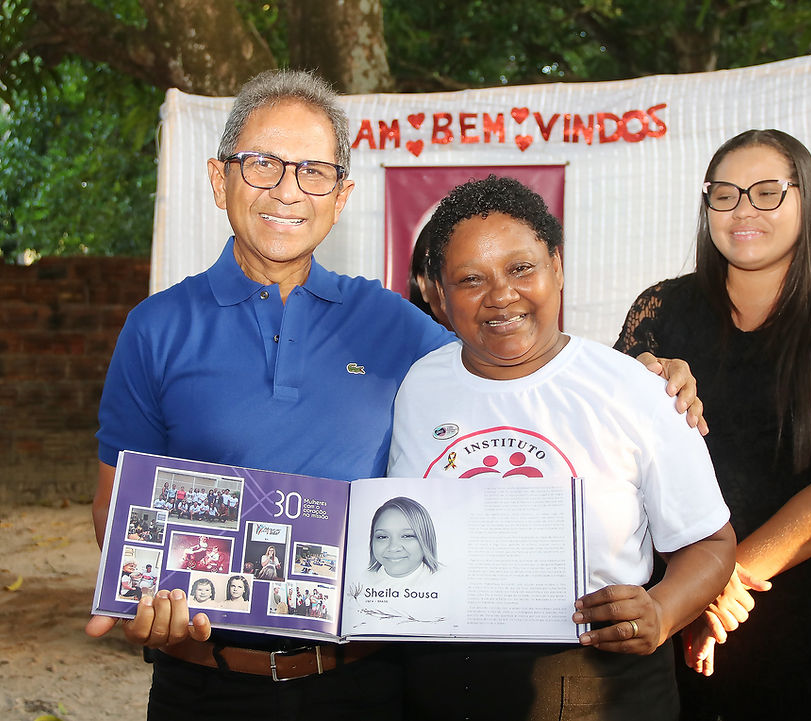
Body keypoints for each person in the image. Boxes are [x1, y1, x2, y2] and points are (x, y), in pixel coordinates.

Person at [86, 68, 702, 720]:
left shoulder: (391, 323)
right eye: (262, 163)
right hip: (203, 689)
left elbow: (513, 360)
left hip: (363, 687)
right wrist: (143, 595)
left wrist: (640, 375)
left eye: (313, 170)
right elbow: (118, 508)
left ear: (341, 193)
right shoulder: (155, 329)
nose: (287, 190)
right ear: (221, 178)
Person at [387, 175, 736, 721]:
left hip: (600, 685)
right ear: (438, 294)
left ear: (557, 265)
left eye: (521, 268)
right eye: (470, 279)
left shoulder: (638, 389)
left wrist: (662, 613)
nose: (501, 295)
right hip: (443, 681)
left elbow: (711, 544)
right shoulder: (418, 388)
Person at [616, 129, 811, 720]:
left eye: (767, 192)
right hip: (665, 601)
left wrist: (722, 580)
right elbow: (607, 461)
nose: (743, 210)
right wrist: (632, 385)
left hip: (785, 594)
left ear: (807, 201)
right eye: (725, 194)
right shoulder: (659, 311)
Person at [367, 497, 439, 582]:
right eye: (382, 537)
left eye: (407, 536)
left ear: (426, 539)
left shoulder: (447, 583)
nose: (393, 547)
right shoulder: (362, 581)